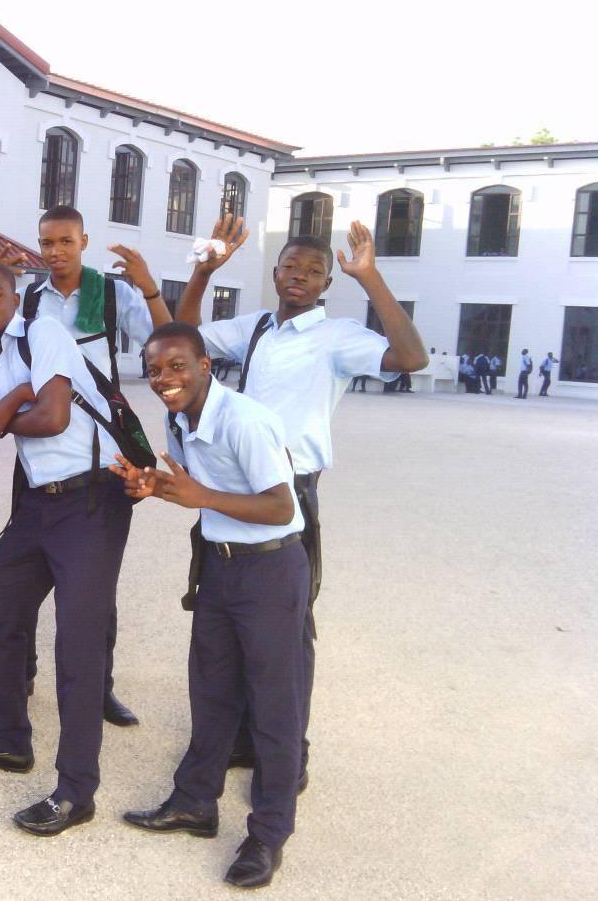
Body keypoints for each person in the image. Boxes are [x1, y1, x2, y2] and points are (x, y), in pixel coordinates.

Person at [175, 218, 426, 785]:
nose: (300, 276)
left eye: (315, 271)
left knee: (289, 629)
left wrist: (372, 279)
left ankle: (289, 752)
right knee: (229, 619)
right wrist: (203, 272)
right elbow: (181, 338)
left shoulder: (337, 337)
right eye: (291, 266)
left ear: (327, 283)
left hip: (291, 494)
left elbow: (411, 359)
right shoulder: (257, 327)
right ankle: (241, 739)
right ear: (275, 272)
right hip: (235, 488)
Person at [0, 260, 133, 836]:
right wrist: (8, 405)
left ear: (14, 298)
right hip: (37, 504)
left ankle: (76, 791)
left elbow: (53, 417)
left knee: (76, 644)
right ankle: (8, 740)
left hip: (90, 500)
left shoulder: (43, 331)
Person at [117, 323, 308, 890]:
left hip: (272, 567)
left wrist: (201, 498)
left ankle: (269, 834)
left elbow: (280, 506)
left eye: (177, 366)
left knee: (274, 708)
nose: (165, 379)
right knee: (211, 688)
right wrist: (155, 484)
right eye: (154, 370)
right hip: (221, 566)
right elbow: (196, 487)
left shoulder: (242, 420)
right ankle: (195, 801)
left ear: (206, 365)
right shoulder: (180, 420)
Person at [17, 204, 181, 727]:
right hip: (42, 457)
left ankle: (99, 686)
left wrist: (150, 288)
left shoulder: (110, 295)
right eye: (47, 243)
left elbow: (167, 338)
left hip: (102, 455)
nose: (55, 252)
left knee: (94, 586)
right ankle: (21, 674)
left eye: (65, 241)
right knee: (22, 575)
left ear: (83, 241)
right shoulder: (30, 298)